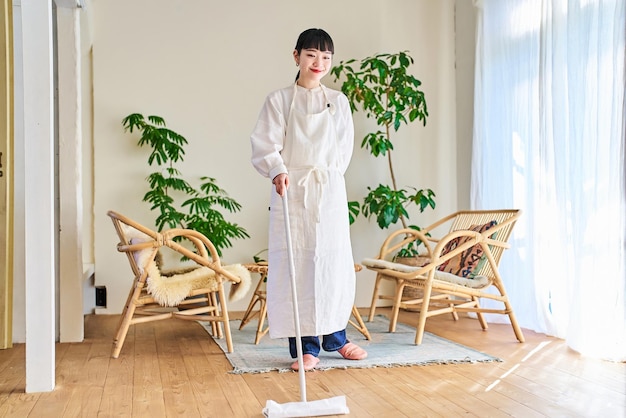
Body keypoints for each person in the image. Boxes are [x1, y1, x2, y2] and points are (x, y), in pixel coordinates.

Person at [250, 28, 367, 371]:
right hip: (293, 191)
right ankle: (306, 348)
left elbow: (343, 150)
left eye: (326, 57)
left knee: (332, 264)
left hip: (328, 192)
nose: (319, 63)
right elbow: (265, 143)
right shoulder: (279, 100)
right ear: (297, 56)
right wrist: (278, 169)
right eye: (312, 55)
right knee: (297, 267)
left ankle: (337, 339)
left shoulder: (338, 101)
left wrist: (328, 180)